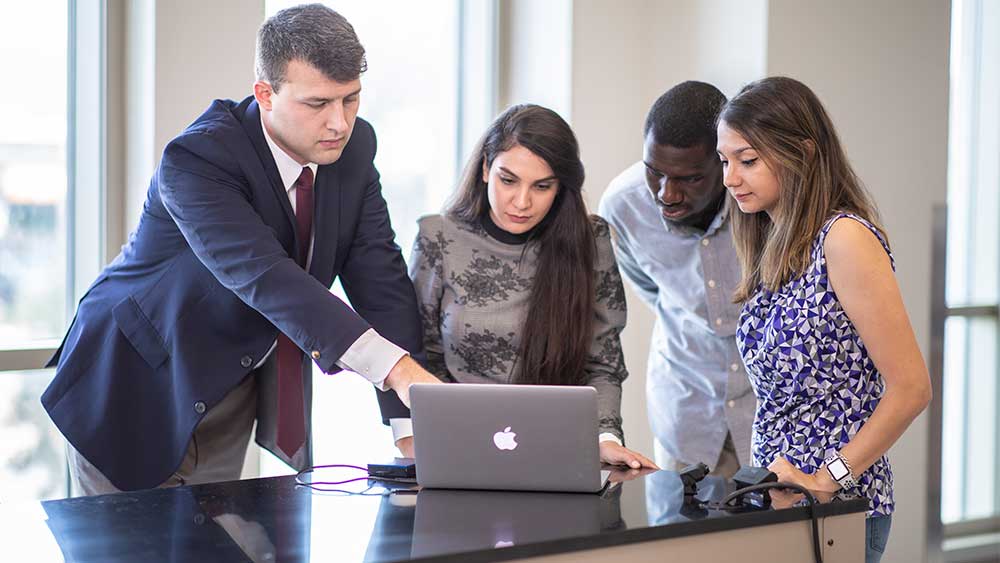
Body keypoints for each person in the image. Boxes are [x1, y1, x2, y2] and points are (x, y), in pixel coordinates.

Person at [41, 3, 441, 495]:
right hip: (130, 386)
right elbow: (269, 279)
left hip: (226, 390)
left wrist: (410, 427)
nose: (339, 123)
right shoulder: (197, 159)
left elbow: (381, 284)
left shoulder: (354, 151)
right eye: (318, 104)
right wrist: (399, 372)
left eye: (351, 100)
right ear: (265, 93)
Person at [716, 76, 932, 562]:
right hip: (777, 500)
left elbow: (912, 388)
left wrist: (826, 479)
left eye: (747, 160)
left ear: (804, 153)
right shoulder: (773, 241)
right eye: (724, 160)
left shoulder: (845, 239)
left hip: (834, 508)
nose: (730, 178)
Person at [398, 104, 656, 469]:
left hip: (558, 448)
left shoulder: (590, 240)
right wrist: (417, 435)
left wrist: (605, 438)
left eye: (542, 186)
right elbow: (418, 355)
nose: (522, 202)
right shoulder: (437, 238)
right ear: (486, 169)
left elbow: (602, 363)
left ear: (561, 186)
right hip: (454, 443)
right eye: (508, 180)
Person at [598, 82, 755, 478]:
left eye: (690, 179)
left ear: (723, 162)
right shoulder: (623, 205)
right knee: (680, 538)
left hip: (770, 420)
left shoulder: (762, 201)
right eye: (655, 172)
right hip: (685, 416)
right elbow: (649, 288)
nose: (667, 194)